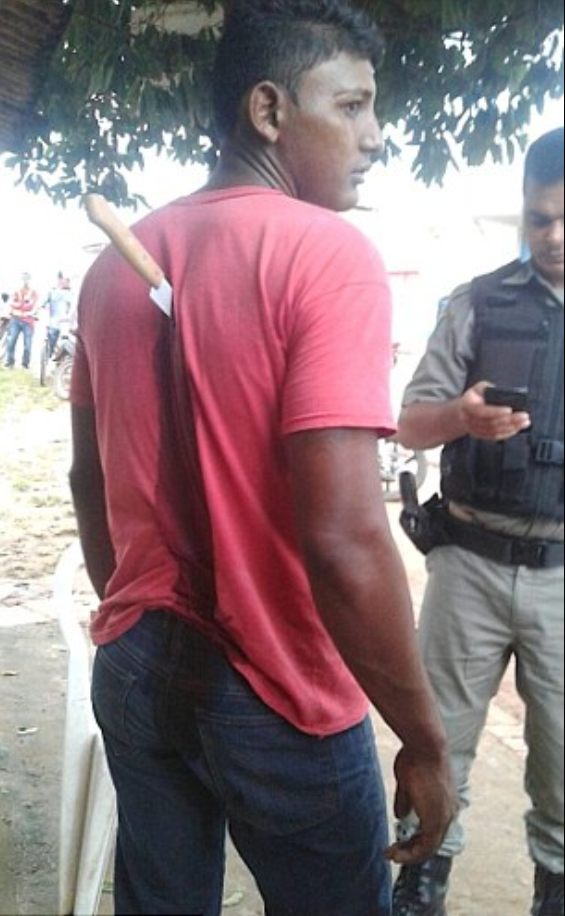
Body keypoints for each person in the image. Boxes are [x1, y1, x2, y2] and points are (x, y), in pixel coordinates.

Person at [69, 2, 455, 914]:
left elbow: (89, 478)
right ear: (269, 110)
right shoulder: (327, 255)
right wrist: (423, 736)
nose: (374, 135)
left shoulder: (112, 266)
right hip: (277, 684)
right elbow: (343, 540)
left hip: (134, 661)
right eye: (351, 106)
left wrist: (132, 608)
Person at [393, 126, 564, 916]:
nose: (552, 237)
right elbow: (408, 424)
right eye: (538, 219)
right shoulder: (477, 302)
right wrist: (460, 418)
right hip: (467, 563)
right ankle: (418, 884)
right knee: (435, 746)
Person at [3, 271, 39, 369]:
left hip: (28, 321)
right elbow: (12, 303)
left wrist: (21, 306)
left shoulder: (33, 292)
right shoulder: (16, 291)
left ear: (30, 280)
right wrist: (21, 306)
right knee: (11, 341)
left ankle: (25, 364)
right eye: (23, 278)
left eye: (27, 278)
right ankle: (9, 362)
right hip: (16, 319)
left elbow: (32, 305)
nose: (25, 280)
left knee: (27, 344)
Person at [42, 271, 74, 356]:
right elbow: (43, 303)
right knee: (52, 337)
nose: (65, 282)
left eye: (67, 280)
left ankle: (65, 356)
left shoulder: (71, 293)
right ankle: (50, 354)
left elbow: (74, 307)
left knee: (66, 339)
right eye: (63, 279)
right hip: (54, 320)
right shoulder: (52, 292)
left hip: (66, 321)